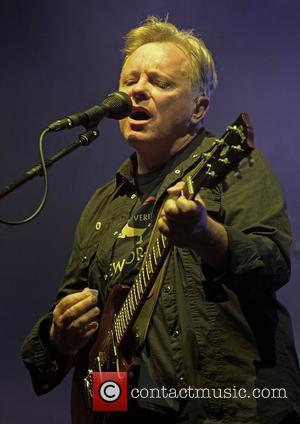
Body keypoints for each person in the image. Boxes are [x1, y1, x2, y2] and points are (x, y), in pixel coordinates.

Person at [22, 16, 300, 424]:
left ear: (199, 108)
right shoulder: (103, 204)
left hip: (224, 408)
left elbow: (274, 264)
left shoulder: (234, 166)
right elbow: (72, 311)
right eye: (129, 80)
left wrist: (204, 234)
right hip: (119, 409)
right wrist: (59, 339)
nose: (137, 90)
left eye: (160, 82)